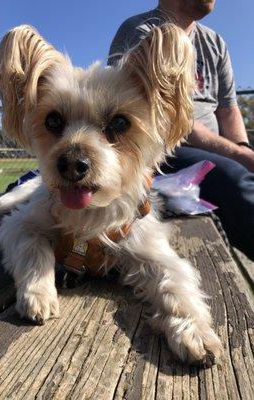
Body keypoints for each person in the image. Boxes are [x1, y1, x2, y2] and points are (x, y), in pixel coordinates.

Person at [108, 0, 254, 260]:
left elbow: (228, 110)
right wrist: (239, 157)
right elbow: (164, 115)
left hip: (216, 153)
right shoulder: (141, 32)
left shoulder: (215, 43)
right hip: (164, 153)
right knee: (235, 180)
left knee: (238, 170)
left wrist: (244, 150)